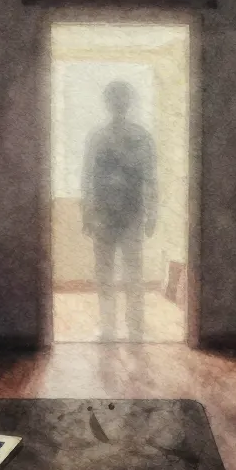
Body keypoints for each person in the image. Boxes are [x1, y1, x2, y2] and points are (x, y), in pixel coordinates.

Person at [81, 81, 157, 342]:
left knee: (133, 273)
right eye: (113, 98)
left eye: (122, 98)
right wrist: (86, 212)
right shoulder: (97, 137)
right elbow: (87, 176)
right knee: (104, 273)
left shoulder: (141, 136)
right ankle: (107, 327)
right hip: (102, 214)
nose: (118, 104)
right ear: (107, 102)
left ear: (129, 102)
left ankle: (135, 328)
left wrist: (152, 212)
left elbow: (150, 176)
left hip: (132, 213)